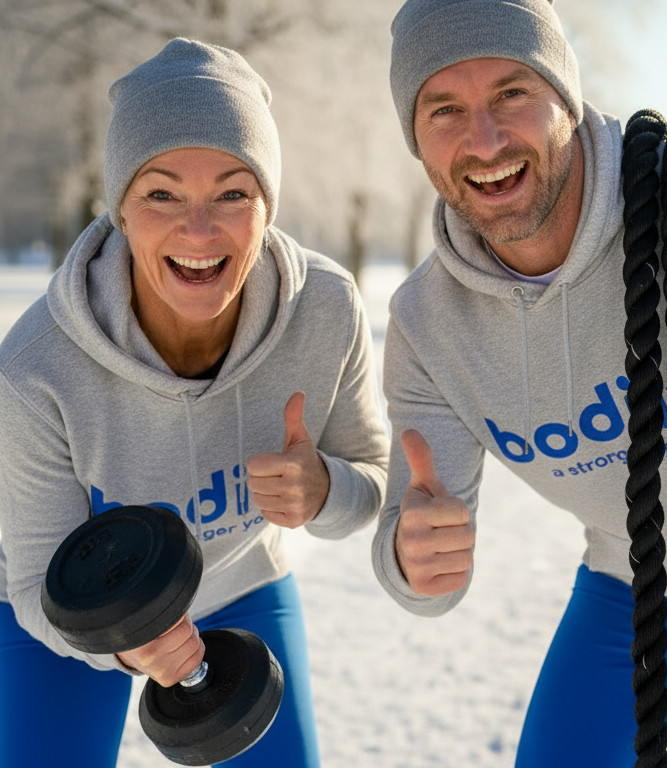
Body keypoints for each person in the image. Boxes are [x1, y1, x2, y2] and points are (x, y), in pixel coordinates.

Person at [372, 0, 667, 765]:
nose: (483, 140)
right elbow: (424, 569)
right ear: (415, 138)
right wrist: (414, 559)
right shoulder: (426, 329)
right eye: (444, 108)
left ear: (567, 95)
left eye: (512, 93)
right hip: (633, 584)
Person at [0, 38, 389, 768]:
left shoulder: (327, 310)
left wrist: (327, 489)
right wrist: (125, 646)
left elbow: (375, 477)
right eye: (161, 193)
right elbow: (28, 581)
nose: (200, 229)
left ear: (268, 205)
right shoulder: (34, 370)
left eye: (234, 193)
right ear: (120, 209)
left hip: (239, 580)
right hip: (72, 605)